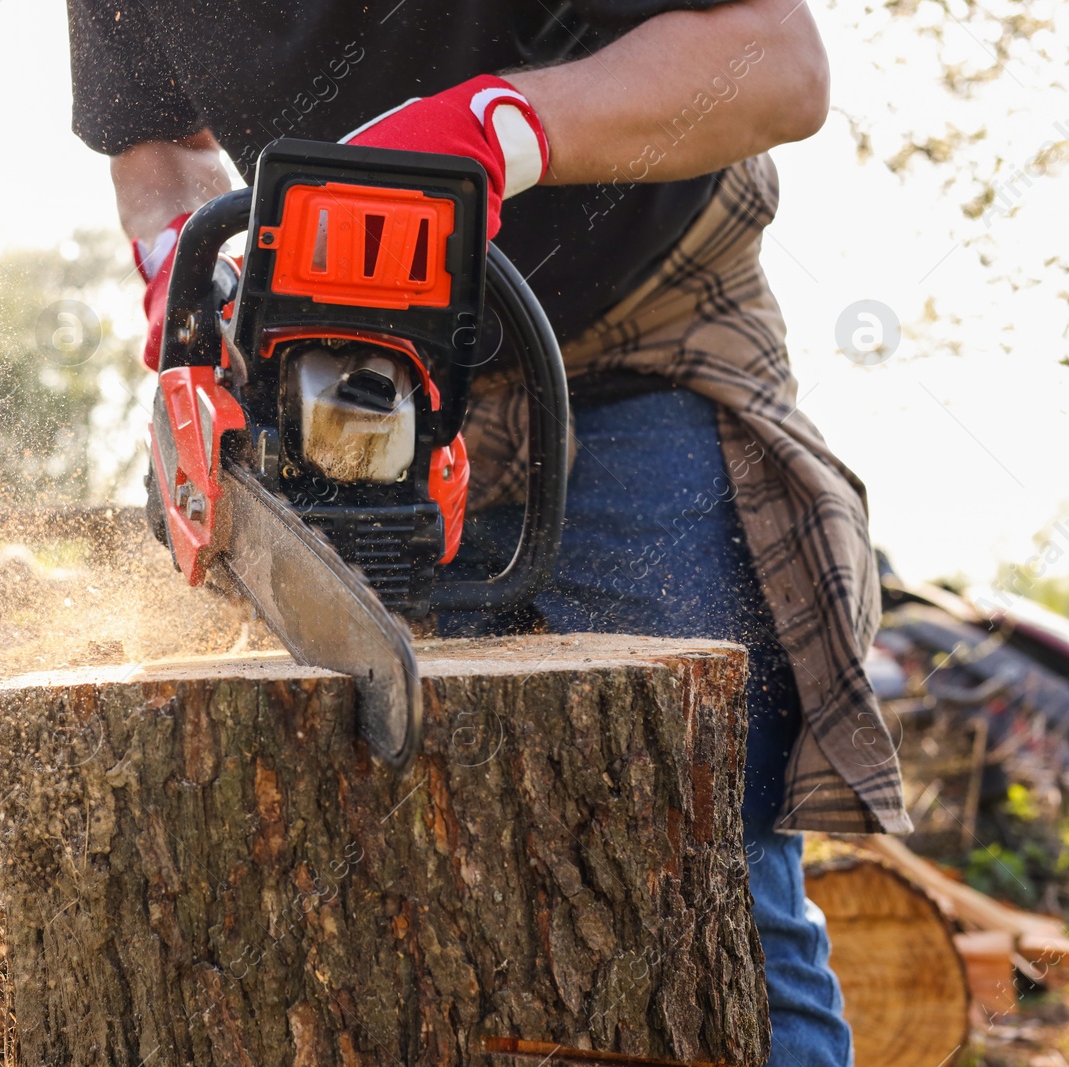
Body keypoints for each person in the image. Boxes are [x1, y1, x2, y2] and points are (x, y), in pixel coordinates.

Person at [66, 2, 910, 1063]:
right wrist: (183, 270)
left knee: (703, 878)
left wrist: (499, 125)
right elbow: (155, 143)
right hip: (362, 385)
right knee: (364, 891)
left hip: (635, 337)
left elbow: (774, 63)